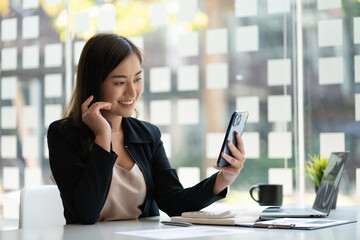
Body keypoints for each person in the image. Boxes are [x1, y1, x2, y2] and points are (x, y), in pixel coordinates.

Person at [47, 33, 246, 224]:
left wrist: (224, 178)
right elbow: (85, 214)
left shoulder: (148, 135)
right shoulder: (63, 134)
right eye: (120, 82)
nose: (132, 91)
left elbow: (173, 201)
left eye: (137, 79)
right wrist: (103, 135)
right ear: (94, 84)